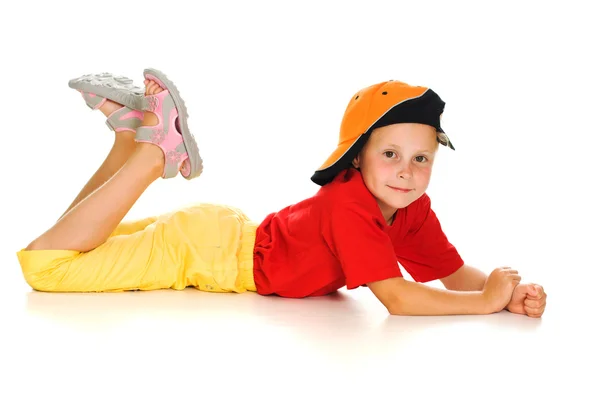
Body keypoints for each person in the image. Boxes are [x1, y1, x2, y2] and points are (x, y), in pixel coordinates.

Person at [17, 69, 547, 318]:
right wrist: (484, 302)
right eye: (390, 154)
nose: (406, 172)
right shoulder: (350, 206)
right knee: (49, 267)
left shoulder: (410, 211)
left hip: (220, 238)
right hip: (207, 254)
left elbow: (451, 276)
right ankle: (156, 153)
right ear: (356, 156)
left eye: (421, 158)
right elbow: (399, 298)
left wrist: (506, 299)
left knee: (68, 245)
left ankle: (133, 135)